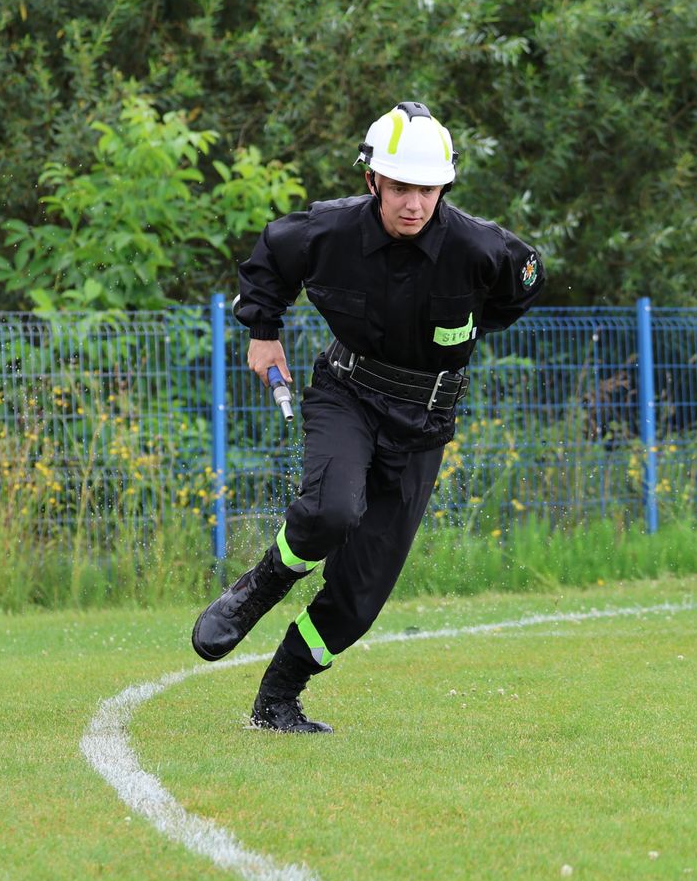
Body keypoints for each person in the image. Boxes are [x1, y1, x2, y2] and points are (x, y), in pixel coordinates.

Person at [192, 101, 545, 732]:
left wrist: (462, 339)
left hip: (425, 424)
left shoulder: (480, 248)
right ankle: (258, 588)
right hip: (347, 394)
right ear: (373, 180)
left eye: (429, 189)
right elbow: (271, 257)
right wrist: (263, 332)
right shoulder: (329, 233)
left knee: (360, 595)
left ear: (445, 187)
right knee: (332, 510)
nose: (415, 203)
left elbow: (524, 283)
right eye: (402, 187)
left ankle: (277, 699)